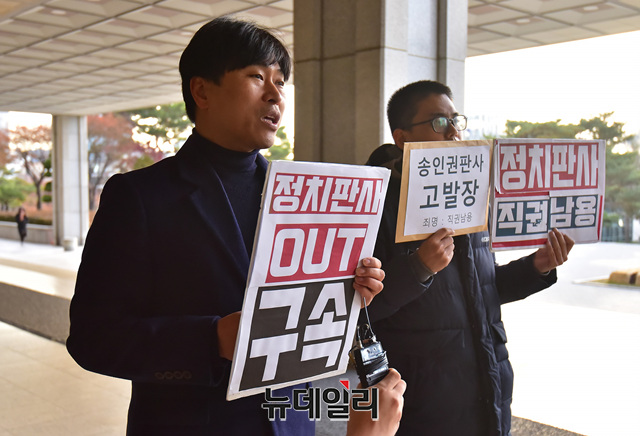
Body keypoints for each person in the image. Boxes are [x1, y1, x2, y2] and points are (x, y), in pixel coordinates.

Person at [67, 17, 390, 436]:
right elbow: (93, 338)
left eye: (280, 82)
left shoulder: (304, 198)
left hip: (291, 421)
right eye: (257, 76)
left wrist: (351, 291)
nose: (276, 94)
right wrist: (212, 339)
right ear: (202, 91)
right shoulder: (139, 197)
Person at [365, 80, 575, 436]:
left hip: (488, 384)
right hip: (421, 397)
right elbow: (360, 309)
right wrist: (418, 268)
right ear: (402, 138)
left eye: (456, 120)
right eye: (438, 122)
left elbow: (483, 290)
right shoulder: (375, 204)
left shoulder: (470, 197)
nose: (453, 132)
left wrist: (536, 267)